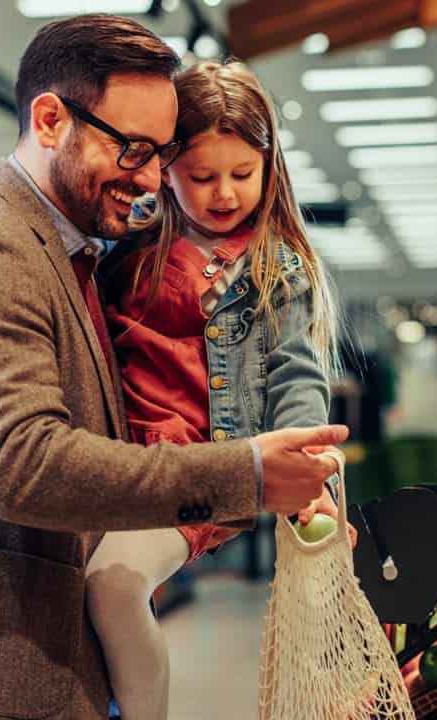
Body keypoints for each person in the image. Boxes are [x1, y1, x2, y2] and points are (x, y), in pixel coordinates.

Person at [0, 15, 346, 720]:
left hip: (58, 668)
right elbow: (24, 467)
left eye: (159, 154)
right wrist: (243, 473)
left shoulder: (85, 250)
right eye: (134, 150)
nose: (150, 179)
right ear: (49, 120)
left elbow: (288, 374)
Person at [88, 60, 347, 720]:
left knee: (112, 586)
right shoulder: (133, 242)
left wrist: (313, 478)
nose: (224, 193)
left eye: (243, 174)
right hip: (122, 465)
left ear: (270, 166)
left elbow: (296, 373)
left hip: (206, 473)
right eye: (202, 177)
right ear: (166, 165)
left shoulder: (274, 264)